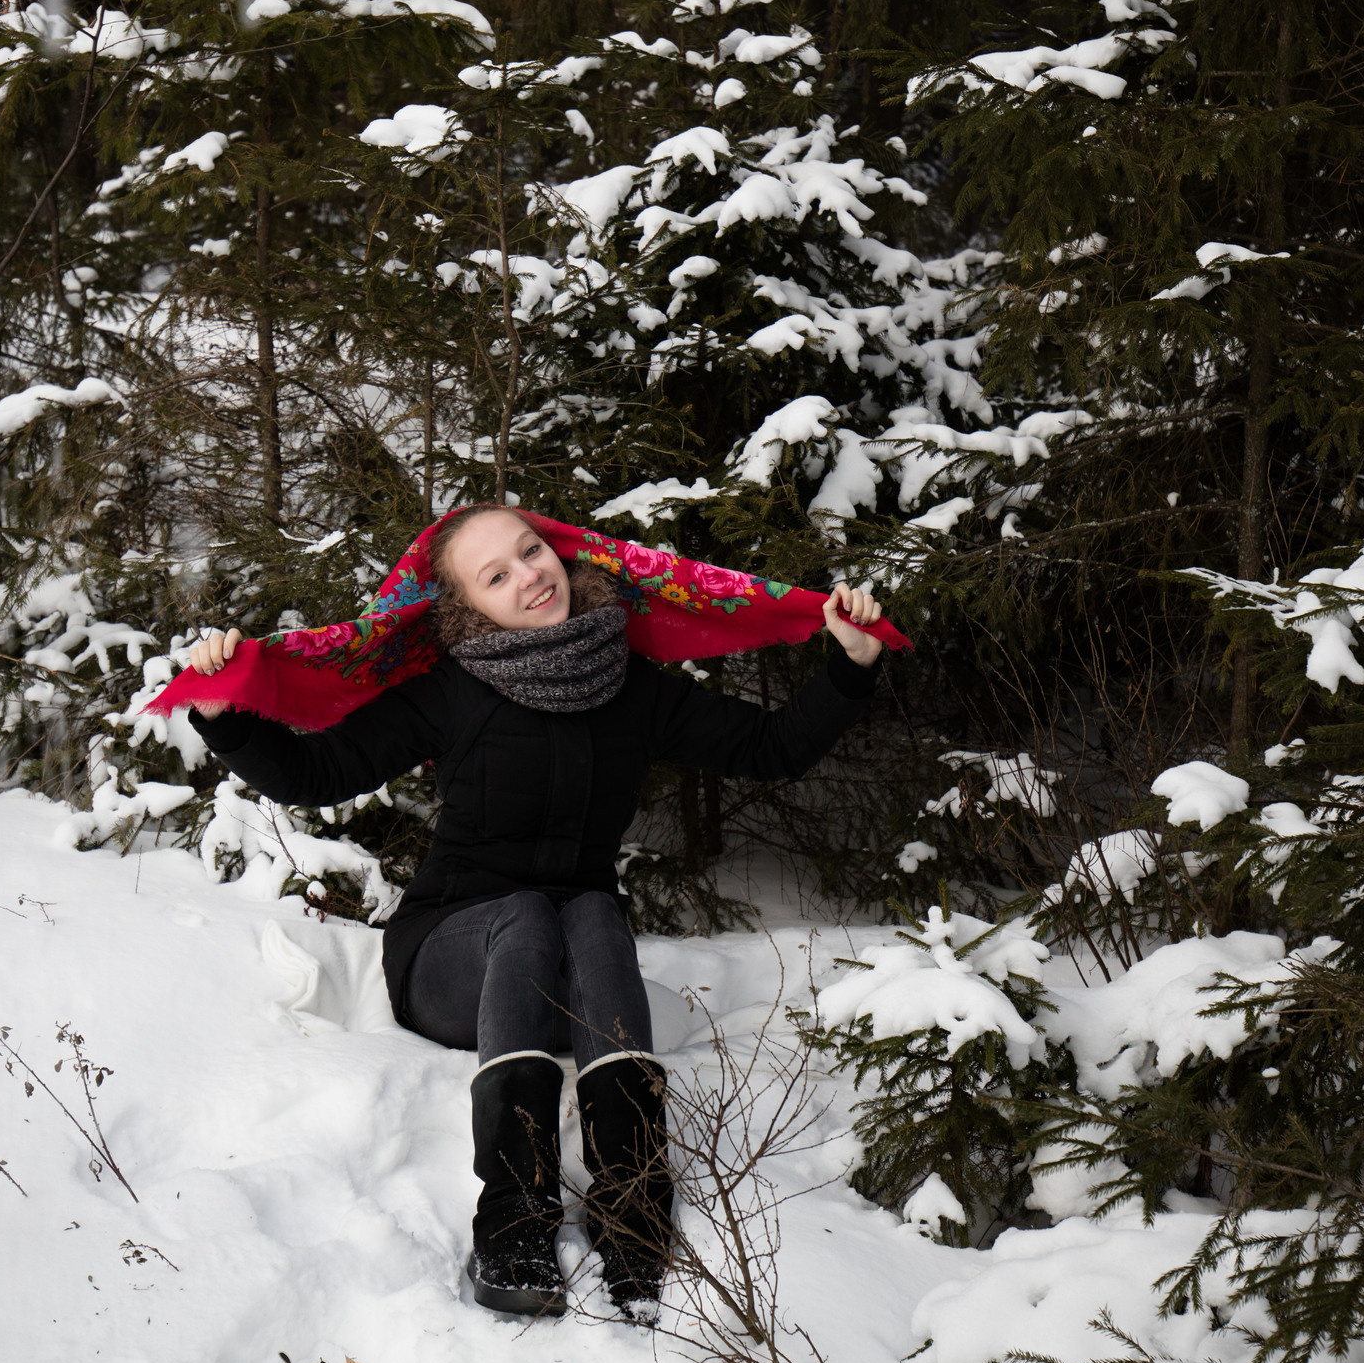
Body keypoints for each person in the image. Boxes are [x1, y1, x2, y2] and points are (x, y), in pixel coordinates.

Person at [178, 505, 889, 1320]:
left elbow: (771, 747)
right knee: (527, 912)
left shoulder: (626, 682)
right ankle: (514, 1215)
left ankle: (634, 1197)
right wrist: (223, 716)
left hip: (570, 974)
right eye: (497, 574)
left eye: (531, 551)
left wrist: (851, 666)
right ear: (466, 607)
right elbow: (320, 771)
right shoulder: (450, 690)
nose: (529, 574)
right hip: (448, 959)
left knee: (591, 910)